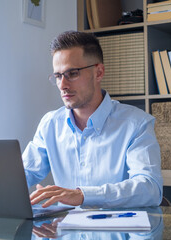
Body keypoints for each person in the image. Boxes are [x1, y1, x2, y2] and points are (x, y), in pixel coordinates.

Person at [22, 30, 163, 209]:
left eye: (72, 73)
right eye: (58, 76)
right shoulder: (50, 124)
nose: (63, 85)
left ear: (99, 72)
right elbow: (22, 175)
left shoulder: (137, 125)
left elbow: (150, 189)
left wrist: (83, 195)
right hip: (65, 233)